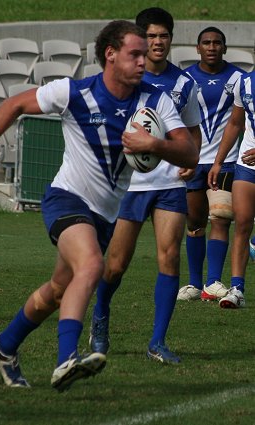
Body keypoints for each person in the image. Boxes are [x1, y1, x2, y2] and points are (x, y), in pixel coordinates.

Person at [0, 20, 198, 390]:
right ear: (110, 55)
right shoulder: (74, 92)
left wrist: (155, 146)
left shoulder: (156, 99)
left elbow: (189, 151)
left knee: (59, 289)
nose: (143, 61)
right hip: (66, 198)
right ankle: (66, 359)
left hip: (105, 216)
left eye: (143, 54)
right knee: (92, 265)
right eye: (134, 54)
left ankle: (4, 346)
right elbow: (14, 104)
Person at [89, 7, 201, 364]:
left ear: (171, 39)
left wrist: (188, 162)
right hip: (130, 185)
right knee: (116, 264)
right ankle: (100, 316)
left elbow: (193, 133)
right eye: (150, 36)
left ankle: (157, 342)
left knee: (169, 257)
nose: (157, 42)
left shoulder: (184, 85)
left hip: (169, 184)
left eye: (163, 36)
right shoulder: (121, 79)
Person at [177, 27, 245, 302]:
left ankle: (213, 281)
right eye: (206, 42)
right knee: (194, 222)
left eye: (217, 42)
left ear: (225, 47)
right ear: (197, 48)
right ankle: (194, 285)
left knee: (221, 218)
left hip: (225, 160)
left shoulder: (238, 78)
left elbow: (239, 120)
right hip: (193, 160)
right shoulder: (186, 79)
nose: (212, 47)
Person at [208, 71, 255, 308]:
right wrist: (218, 161)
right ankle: (237, 289)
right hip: (247, 163)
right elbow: (235, 122)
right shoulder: (244, 82)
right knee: (242, 222)